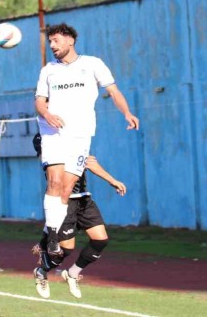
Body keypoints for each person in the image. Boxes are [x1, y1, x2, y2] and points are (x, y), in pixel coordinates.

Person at [35, 23, 139, 258]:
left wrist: (127, 113)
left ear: (70, 40)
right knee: (54, 180)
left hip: (80, 133)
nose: (52, 45)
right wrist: (47, 115)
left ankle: (47, 235)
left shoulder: (93, 64)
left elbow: (114, 91)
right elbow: (40, 101)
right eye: (50, 41)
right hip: (52, 130)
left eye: (56, 40)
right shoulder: (48, 70)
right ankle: (53, 239)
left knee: (66, 189)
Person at [32, 154, 126, 299]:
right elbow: (50, 165)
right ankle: (41, 271)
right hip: (63, 201)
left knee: (100, 240)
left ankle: (72, 274)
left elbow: (90, 162)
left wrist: (112, 181)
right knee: (66, 250)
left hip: (83, 199)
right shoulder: (50, 143)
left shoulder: (79, 143)